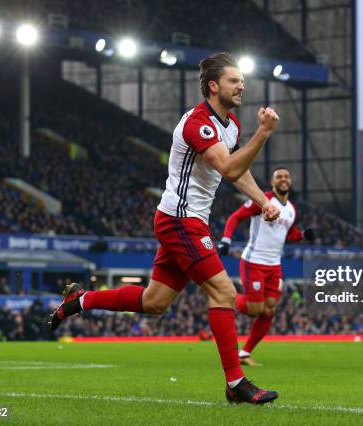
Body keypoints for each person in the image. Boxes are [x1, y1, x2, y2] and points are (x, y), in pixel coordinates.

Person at [49, 52, 281, 404]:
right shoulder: (198, 123)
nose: (242, 85)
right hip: (180, 221)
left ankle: (79, 301)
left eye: (242, 80)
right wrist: (263, 133)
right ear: (213, 86)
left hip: (188, 221)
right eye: (234, 80)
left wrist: (263, 201)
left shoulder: (229, 125)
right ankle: (236, 384)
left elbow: (238, 170)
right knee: (224, 294)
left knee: (154, 302)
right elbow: (230, 169)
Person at [218, 167, 314, 366]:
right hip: (254, 261)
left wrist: (303, 236)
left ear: (290, 181)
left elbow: (288, 234)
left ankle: (244, 354)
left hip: (274, 265)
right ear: (273, 182)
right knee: (255, 309)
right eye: (279, 176)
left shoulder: (291, 209)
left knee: (269, 310)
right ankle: (226, 297)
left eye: (286, 176)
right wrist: (226, 239)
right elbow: (235, 217)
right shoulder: (262, 200)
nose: (283, 179)